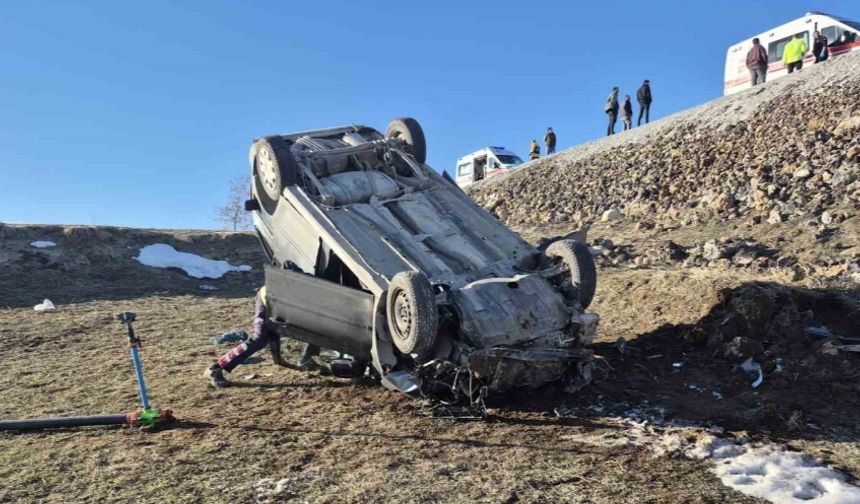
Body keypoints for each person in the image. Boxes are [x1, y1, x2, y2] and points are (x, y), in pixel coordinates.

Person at [204, 286, 320, 388]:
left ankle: (306, 360)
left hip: (279, 304)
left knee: (311, 328)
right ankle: (215, 369)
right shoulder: (286, 287)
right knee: (259, 340)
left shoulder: (309, 288)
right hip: (268, 303)